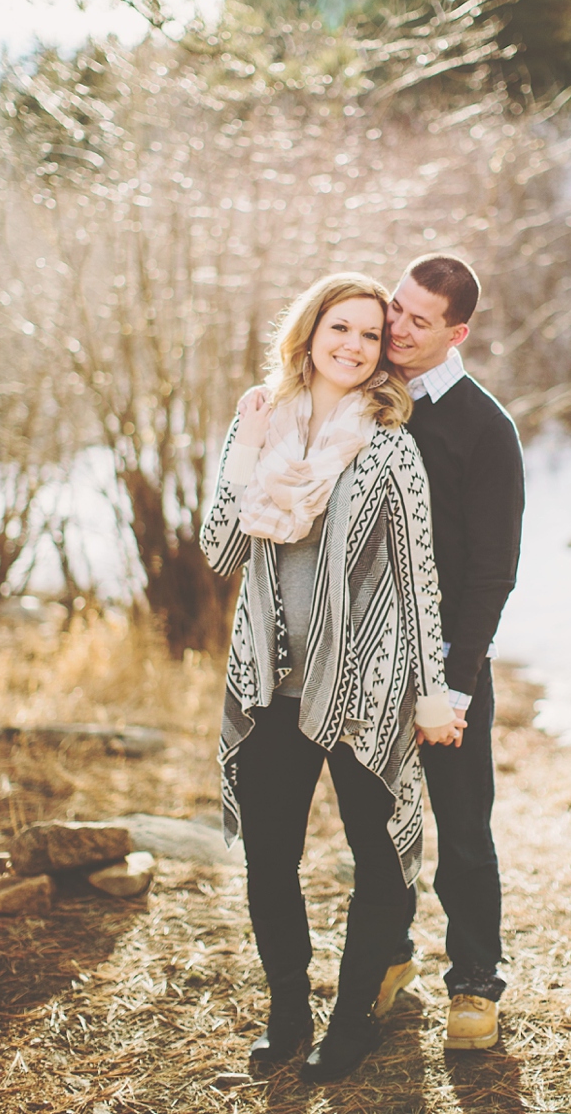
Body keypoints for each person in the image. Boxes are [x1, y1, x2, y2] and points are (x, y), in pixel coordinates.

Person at [200, 273, 465, 1083]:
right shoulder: (263, 425)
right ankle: (287, 1010)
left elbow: (419, 579)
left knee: (377, 860)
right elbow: (218, 548)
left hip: (369, 689)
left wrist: (431, 692)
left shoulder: (390, 448)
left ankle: (351, 1022)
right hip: (269, 684)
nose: (352, 345)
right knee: (268, 858)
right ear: (308, 332)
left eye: (366, 333)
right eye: (337, 328)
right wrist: (245, 447)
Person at [375, 253, 525, 1051]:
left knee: (462, 829)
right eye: (394, 308)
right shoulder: (370, 401)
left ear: (456, 332)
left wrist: (456, 686)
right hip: (367, 659)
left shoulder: (482, 426)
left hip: (444, 666)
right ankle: (384, 958)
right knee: (378, 823)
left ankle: (473, 982)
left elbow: (491, 570)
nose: (396, 328)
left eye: (418, 320)